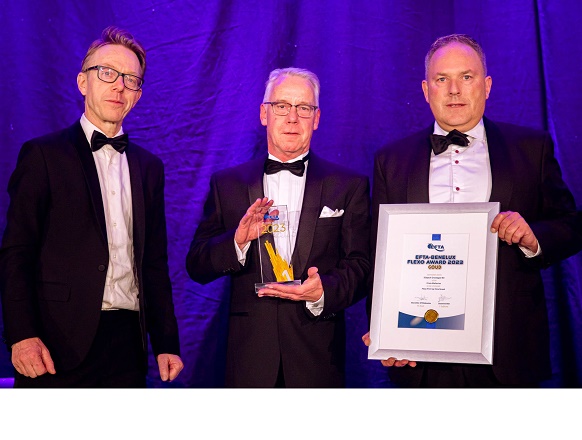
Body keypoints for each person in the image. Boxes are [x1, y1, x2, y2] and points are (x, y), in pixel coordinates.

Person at [363, 34, 582, 387]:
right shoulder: (391, 160)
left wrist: (534, 238)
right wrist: (384, 330)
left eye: (466, 77)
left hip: (507, 353)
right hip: (421, 353)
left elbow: (572, 225)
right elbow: (380, 253)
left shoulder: (531, 148)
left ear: (487, 85)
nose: (454, 90)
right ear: (426, 90)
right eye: (441, 79)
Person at [0, 26, 183, 387]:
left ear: (138, 95)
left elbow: (153, 263)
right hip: (54, 342)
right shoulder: (43, 156)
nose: (119, 86)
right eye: (107, 73)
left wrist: (166, 343)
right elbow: (16, 252)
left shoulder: (149, 168)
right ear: (83, 82)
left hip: (128, 344)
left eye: (130, 79)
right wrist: (21, 335)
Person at [186, 67, 371, 387]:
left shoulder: (348, 186)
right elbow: (197, 265)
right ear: (264, 113)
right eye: (282, 106)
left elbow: (362, 265)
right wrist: (237, 242)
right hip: (249, 360)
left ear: (317, 118)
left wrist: (323, 291)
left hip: (317, 359)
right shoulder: (227, 185)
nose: (292, 118)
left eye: (304, 108)